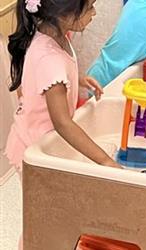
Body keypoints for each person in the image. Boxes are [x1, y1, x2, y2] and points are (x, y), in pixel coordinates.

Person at [5, 0, 121, 180]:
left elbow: (50, 76)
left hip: (41, 138)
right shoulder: (50, 59)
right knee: (45, 206)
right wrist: (105, 161)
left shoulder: (51, 33)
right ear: (63, 14)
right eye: (89, 8)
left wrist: (79, 79)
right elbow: (63, 123)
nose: (94, 13)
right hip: (35, 148)